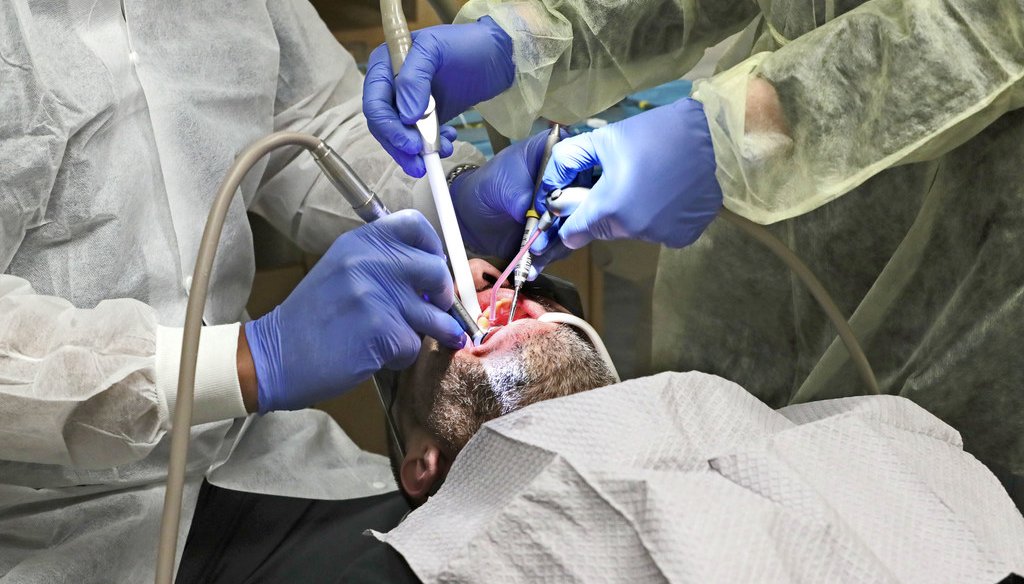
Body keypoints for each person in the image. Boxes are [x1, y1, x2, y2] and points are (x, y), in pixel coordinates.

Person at [362, 1, 1024, 504]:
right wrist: (531, 36)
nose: (481, 280)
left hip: (985, 251)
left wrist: (738, 133)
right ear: (422, 466)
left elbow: (986, 29)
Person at [0, 1, 483, 581]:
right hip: (43, 522)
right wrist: (248, 361)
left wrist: (458, 197)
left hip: (251, 459)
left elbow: (317, 119)